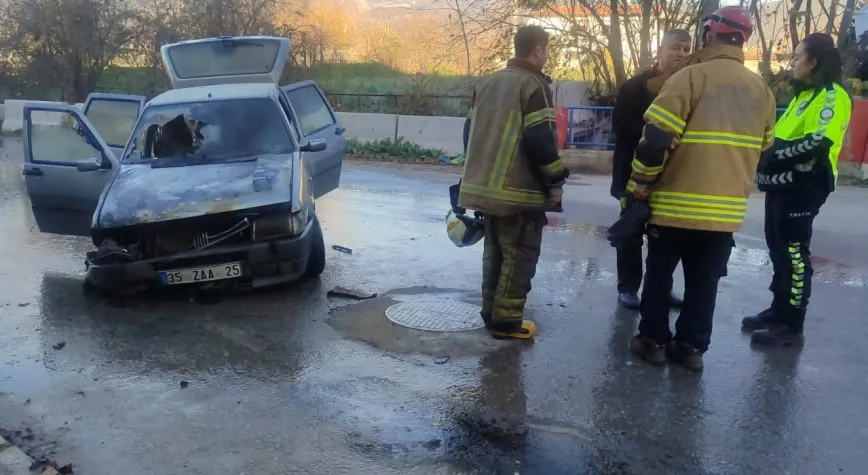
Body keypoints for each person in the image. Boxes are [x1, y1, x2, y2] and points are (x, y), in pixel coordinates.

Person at [627, 6, 777, 371]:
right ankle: (691, 349)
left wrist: (641, 183)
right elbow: (766, 150)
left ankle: (653, 342)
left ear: (709, 34)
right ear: (744, 40)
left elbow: (654, 141)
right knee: (704, 282)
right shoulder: (762, 91)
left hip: (675, 206)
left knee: (660, 277)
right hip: (724, 214)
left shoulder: (690, 78)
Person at [458, 25, 568, 340]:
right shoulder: (534, 85)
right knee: (519, 256)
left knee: (494, 253)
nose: (546, 56)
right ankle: (507, 322)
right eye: (546, 51)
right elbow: (541, 140)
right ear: (538, 50)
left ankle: (490, 312)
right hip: (518, 192)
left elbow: (469, 133)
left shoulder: (488, 82)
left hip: (484, 188)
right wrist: (556, 180)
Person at [744, 33, 852, 346]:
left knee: (793, 253)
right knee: (778, 248)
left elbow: (818, 143)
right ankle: (778, 310)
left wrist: (771, 158)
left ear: (813, 62)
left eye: (796, 57)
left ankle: (791, 324)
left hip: (807, 184)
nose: (791, 63)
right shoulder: (804, 94)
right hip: (784, 183)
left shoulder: (832, 95)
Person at [610, 29, 692, 310]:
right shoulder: (635, 87)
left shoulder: (690, 85)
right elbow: (622, 132)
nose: (681, 53)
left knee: (665, 238)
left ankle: (661, 289)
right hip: (633, 174)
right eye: (676, 48)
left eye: (685, 48)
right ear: (661, 49)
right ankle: (628, 288)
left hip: (673, 177)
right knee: (631, 232)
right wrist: (657, 136)